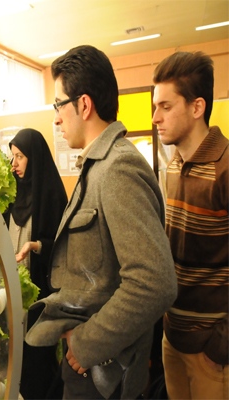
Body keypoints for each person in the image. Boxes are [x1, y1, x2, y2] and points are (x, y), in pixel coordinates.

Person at [24, 45, 177, 399]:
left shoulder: (118, 168)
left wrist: (86, 344)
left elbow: (154, 282)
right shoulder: (98, 166)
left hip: (103, 372)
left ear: (84, 105)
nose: (57, 119)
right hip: (92, 369)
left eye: (59, 105)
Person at [152, 51, 228, 399]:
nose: (155, 117)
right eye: (156, 106)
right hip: (173, 337)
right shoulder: (173, 164)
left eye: (166, 107)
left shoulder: (225, 166)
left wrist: (222, 343)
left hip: (212, 349)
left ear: (197, 107)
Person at [3, 128, 68, 399]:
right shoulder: (10, 194)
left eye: (20, 156)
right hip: (11, 296)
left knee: (39, 363)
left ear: (35, 157)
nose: (14, 163)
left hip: (40, 296)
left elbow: (63, 246)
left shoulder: (51, 195)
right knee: (15, 362)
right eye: (12, 156)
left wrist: (37, 246)